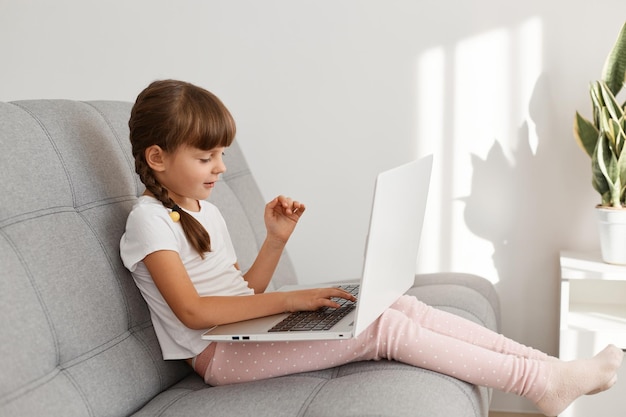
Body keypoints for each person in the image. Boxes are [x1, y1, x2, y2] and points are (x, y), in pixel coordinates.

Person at [120, 79, 622, 417]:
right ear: (157, 157)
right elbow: (193, 312)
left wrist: (274, 242)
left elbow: (242, 291)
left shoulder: (205, 210)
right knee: (381, 328)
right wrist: (294, 300)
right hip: (219, 358)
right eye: (206, 157)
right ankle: (536, 384)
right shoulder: (147, 221)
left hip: (239, 336)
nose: (221, 169)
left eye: (222, 155)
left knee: (394, 304)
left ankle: (549, 370)